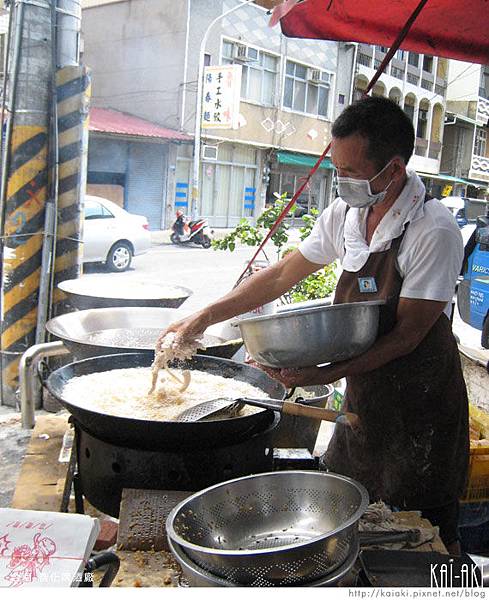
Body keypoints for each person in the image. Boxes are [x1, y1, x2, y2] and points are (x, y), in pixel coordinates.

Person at [158, 96, 469, 554]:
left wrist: (322, 375)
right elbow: (285, 273)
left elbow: (407, 335)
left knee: (421, 542)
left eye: (350, 172)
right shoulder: (347, 214)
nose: (341, 182)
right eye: (336, 169)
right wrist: (204, 317)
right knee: (355, 527)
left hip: (421, 409)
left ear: (394, 170)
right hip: (365, 397)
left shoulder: (432, 231)